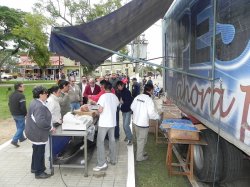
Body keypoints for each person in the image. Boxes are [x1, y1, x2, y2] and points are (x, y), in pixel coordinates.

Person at [25, 86, 54, 179]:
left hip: (33, 131)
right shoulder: (39, 106)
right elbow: (41, 121)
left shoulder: (34, 102)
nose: (47, 94)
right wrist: (50, 127)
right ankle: (39, 172)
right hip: (38, 133)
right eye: (45, 93)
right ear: (40, 95)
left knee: (36, 151)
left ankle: (34, 168)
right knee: (40, 152)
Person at [93, 82, 119, 172]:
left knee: (100, 142)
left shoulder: (103, 97)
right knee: (112, 141)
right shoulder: (115, 97)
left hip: (104, 123)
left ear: (104, 88)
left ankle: (101, 163)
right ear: (111, 88)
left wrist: (96, 111)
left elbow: (100, 110)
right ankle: (113, 159)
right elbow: (116, 107)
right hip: (112, 123)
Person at [131, 83, 160, 162]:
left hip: (135, 121)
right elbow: (151, 114)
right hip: (143, 123)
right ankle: (139, 157)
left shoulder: (138, 96)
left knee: (140, 139)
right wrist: (158, 116)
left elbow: (132, 107)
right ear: (150, 90)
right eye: (153, 90)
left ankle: (141, 152)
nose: (153, 91)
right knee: (142, 140)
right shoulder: (149, 100)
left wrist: (139, 112)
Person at [8, 82, 27, 147]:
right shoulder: (21, 95)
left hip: (13, 113)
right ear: (19, 87)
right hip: (20, 114)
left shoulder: (11, 94)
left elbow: (9, 104)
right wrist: (25, 113)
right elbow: (23, 107)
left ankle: (21, 138)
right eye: (23, 86)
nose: (24, 87)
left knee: (19, 126)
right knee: (22, 127)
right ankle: (14, 140)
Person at [116, 81, 134, 145]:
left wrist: (122, 102)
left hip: (128, 110)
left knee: (126, 125)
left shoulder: (127, 92)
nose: (118, 88)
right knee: (124, 125)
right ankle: (127, 135)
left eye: (119, 86)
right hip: (124, 110)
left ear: (122, 86)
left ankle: (131, 139)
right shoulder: (120, 92)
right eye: (117, 86)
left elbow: (128, 102)